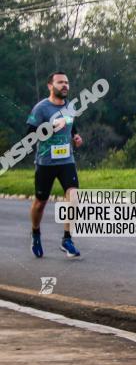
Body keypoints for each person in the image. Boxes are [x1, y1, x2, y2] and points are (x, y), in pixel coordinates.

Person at [27, 71, 83, 259]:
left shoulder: (71, 107)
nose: (65, 85)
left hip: (67, 160)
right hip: (46, 162)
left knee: (74, 195)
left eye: (67, 82)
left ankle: (67, 239)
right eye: (60, 82)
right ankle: (35, 233)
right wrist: (48, 130)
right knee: (40, 202)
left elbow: (71, 125)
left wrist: (75, 136)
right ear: (50, 86)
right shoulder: (41, 109)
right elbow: (30, 134)